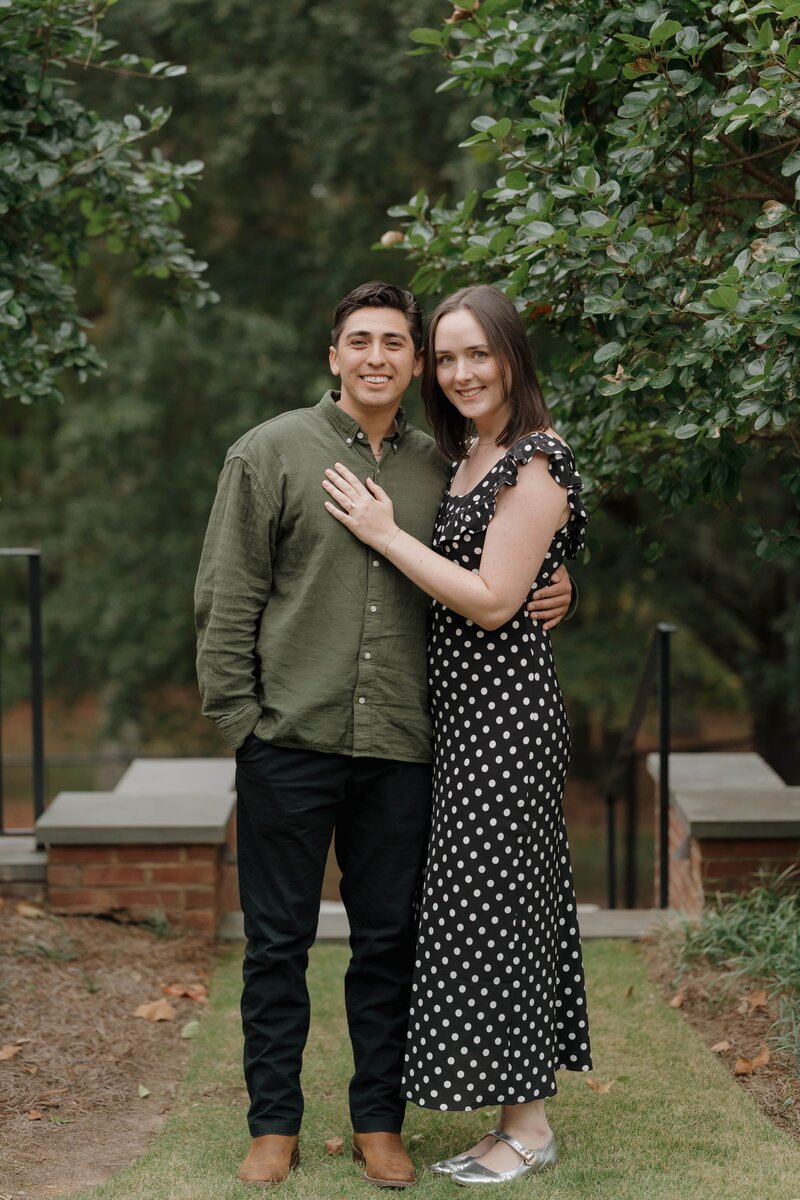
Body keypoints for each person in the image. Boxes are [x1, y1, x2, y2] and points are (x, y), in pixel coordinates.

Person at [194, 281, 574, 1189]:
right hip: (290, 738)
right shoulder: (269, 453)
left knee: (389, 944)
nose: (377, 357)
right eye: (359, 340)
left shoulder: (444, 463)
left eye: (396, 343)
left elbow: (499, 560)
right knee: (277, 944)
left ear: (414, 364)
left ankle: (379, 1122)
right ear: (334, 355)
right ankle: (273, 1125)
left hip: (406, 747)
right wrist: (244, 728)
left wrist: (555, 592)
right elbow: (226, 599)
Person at [322, 283, 591, 1186]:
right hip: (460, 718)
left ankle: (532, 1127)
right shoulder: (472, 451)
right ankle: (512, 1117)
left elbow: (490, 598)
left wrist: (382, 531)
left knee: (501, 911)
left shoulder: (536, 462)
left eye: (480, 353)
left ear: (514, 356)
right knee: (481, 912)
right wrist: (558, 584)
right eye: (448, 357)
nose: (462, 372)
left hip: (506, 722)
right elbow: (521, 575)